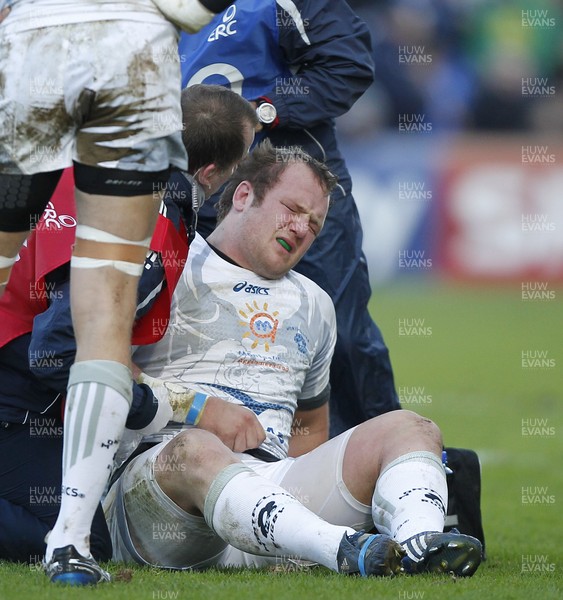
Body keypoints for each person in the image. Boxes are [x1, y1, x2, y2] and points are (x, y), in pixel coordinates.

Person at [104, 142, 482, 577]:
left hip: (272, 495)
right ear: (243, 196)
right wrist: (200, 408)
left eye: (314, 224)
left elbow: (308, 429)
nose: (301, 228)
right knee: (195, 447)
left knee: (411, 425)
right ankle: (335, 548)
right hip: (163, 498)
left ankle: (420, 544)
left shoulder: (316, 303)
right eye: (292, 208)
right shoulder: (173, 262)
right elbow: (102, 367)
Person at [0, 83, 257, 583]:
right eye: (236, 165)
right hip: (14, 394)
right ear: (207, 173)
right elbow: (56, 353)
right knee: (82, 540)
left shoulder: (106, 164)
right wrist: (177, 408)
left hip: (17, 377)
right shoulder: (148, 236)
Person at [178, 0, 402, 437]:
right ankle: (217, 470)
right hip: (192, 194)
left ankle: (388, 464)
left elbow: (346, 64)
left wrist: (259, 113)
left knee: (343, 334)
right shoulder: (147, 13)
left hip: (292, 186)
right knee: (191, 332)